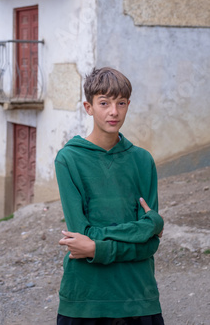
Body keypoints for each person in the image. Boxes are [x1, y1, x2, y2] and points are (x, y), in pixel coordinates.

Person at [54, 67, 165, 325]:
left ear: (128, 105)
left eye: (121, 103)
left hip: (138, 296)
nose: (113, 111)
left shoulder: (142, 160)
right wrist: (148, 225)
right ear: (88, 107)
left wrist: (96, 248)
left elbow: (151, 244)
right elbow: (80, 235)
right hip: (84, 298)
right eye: (104, 103)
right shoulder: (69, 159)